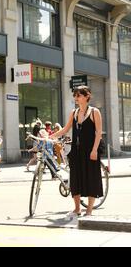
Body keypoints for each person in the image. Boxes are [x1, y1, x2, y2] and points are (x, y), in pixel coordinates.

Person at [50, 86, 103, 218]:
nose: (76, 98)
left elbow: (99, 133)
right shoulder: (74, 112)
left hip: (91, 150)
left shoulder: (94, 112)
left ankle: (89, 210)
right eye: (75, 95)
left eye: (78, 95)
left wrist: (95, 150)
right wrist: (51, 136)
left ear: (87, 96)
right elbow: (65, 129)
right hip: (76, 151)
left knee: (91, 178)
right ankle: (77, 208)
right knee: (75, 179)